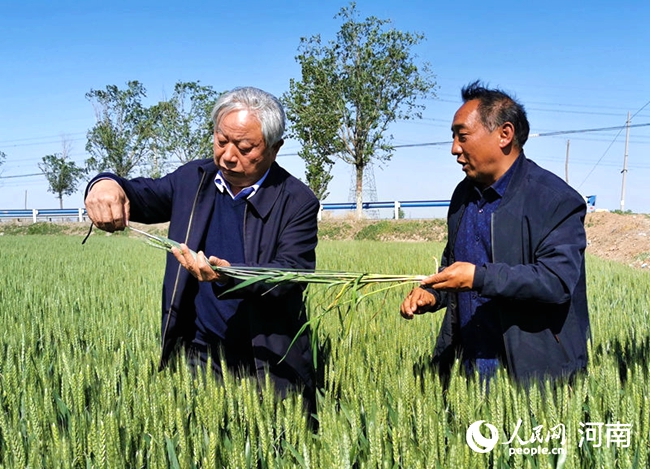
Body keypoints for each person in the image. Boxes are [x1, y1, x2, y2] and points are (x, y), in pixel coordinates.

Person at [85, 86, 320, 414]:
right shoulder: (192, 180)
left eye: (245, 146)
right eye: (221, 140)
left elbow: (290, 273)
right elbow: (141, 195)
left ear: (274, 148)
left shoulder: (296, 201)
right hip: (199, 354)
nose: (227, 155)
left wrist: (227, 275)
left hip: (266, 358)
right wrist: (105, 183)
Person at [400, 81, 590, 384]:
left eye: (462, 136)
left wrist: (479, 278)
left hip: (534, 379)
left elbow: (556, 281)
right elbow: (454, 261)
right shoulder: (463, 195)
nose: (454, 149)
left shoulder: (555, 200)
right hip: (468, 371)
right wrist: (433, 293)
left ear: (504, 134)